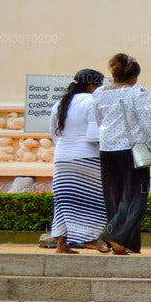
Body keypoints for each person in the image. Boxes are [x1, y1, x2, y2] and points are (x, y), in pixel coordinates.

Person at [94, 54, 151, 255]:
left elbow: (98, 120)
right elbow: (146, 121)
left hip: (107, 149)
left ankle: (127, 244)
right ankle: (115, 236)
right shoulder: (137, 93)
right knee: (136, 196)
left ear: (113, 74)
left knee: (114, 195)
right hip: (131, 149)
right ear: (134, 76)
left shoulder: (99, 93)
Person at [48, 69, 109, 254]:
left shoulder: (59, 104)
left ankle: (61, 244)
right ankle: (91, 239)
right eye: (100, 85)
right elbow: (94, 135)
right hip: (87, 157)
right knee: (95, 199)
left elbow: (54, 134)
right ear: (92, 86)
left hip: (62, 157)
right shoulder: (92, 101)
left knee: (63, 201)